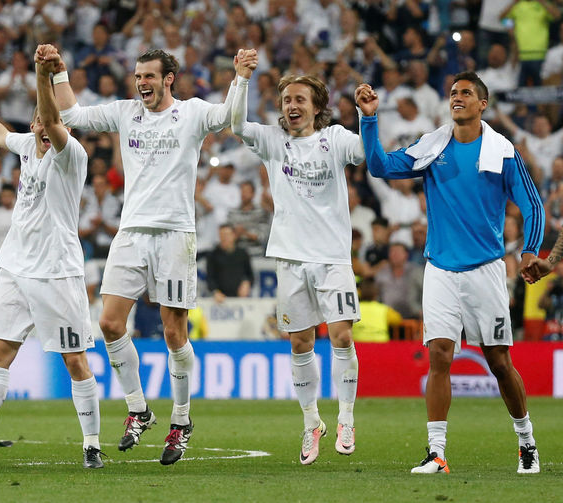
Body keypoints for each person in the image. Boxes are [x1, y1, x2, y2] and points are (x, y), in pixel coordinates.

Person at [43, 44, 242, 465]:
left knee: (174, 334)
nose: (141, 83)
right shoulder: (125, 112)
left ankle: (182, 421)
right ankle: (139, 409)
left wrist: (240, 76)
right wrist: (60, 71)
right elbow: (74, 116)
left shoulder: (191, 113)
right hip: (131, 232)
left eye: (148, 76)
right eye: (137, 76)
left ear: (168, 78)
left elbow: (227, 117)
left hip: (174, 235)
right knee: (110, 323)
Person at [355, 71, 543, 474]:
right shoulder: (432, 145)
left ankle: (526, 442)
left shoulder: (501, 151)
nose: (457, 98)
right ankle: (436, 454)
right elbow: (379, 166)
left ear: (483, 104)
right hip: (439, 269)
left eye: (466, 93)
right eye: (453, 92)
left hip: (486, 270)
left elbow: (532, 206)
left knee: (498, 361)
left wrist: (528, 250)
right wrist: (368, 119)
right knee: (440, 355)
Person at [0, 45, 104, 469]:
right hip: (15, 268)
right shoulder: (29, 147)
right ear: (32, 126)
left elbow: (52, 117)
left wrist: (41, 73)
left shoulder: (73, 156)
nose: (43, 129)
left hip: (57, 272)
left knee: (75, 361)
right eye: (37, 124)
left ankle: (91, 443)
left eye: (49, 124)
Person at [230, 53, 364, 465]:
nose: (291, 105)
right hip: (289, 259)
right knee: (300, 343)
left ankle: (345, 418)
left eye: (300, 99)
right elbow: (236, 125)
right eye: (287, 99)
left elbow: (367, 156)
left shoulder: (337, 138)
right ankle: (311, 423)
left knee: (341, 336)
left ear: (317, 106)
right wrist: (242, 79)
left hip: (332, 258)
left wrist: (368, 117)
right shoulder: (273, 141)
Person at [206, 224, 253, 302]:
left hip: (240, 298)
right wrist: (215, 291)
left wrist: (246, 283)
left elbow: (249, 275)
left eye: (226, 234)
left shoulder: (242, 253)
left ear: (234, 235)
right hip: (220, 299)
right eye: (221, 235)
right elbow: (210, 277)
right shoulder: (213, 255)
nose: (224, 238)